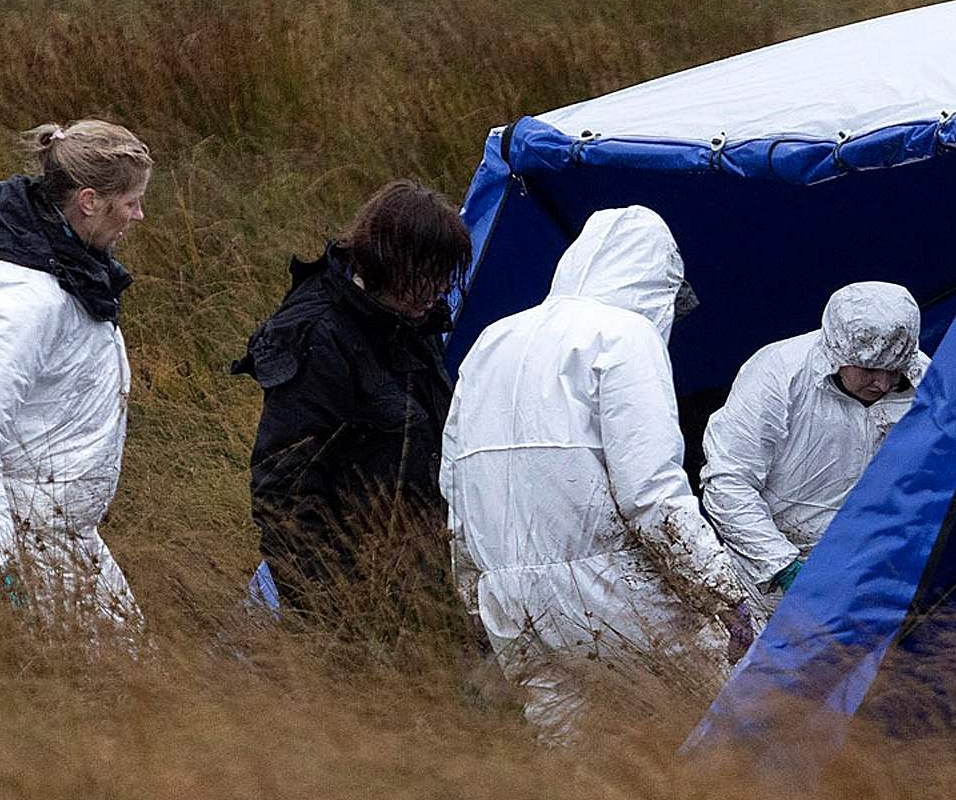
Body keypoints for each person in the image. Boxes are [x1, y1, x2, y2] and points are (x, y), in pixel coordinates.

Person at [439, 204, 747, 738]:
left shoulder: (491, 342)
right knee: (725, 725)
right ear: (657, 283)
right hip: (611, 593)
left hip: (512, 605)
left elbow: (455, 484)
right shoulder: (626, 336)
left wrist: (474, 588)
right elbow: (652, 495)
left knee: (573, 769)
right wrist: (722, 592)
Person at [0, 118, 151, 631]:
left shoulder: (69, 270)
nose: (139, 214)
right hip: (24, 543)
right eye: (131, 201)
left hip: (62, 540)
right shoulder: (25, 298)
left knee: (138, 693)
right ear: (88, 201)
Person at [241, 178, 469, 619]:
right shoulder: (318, 336)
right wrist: (331, 608)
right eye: (430, 275)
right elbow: (283, 489)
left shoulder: (414, 322)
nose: (440, 289)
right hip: (343, 594)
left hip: (416, 581)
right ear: (392, 263)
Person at [700, 281, 925, 604]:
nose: (884, 383)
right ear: (838, 351)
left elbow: (932, 478)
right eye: (869, 369)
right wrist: (782, 567)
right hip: (769, 573)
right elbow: (728, 481)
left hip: (870, 572)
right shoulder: (779, 374)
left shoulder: (924, 382)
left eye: (895, 370)